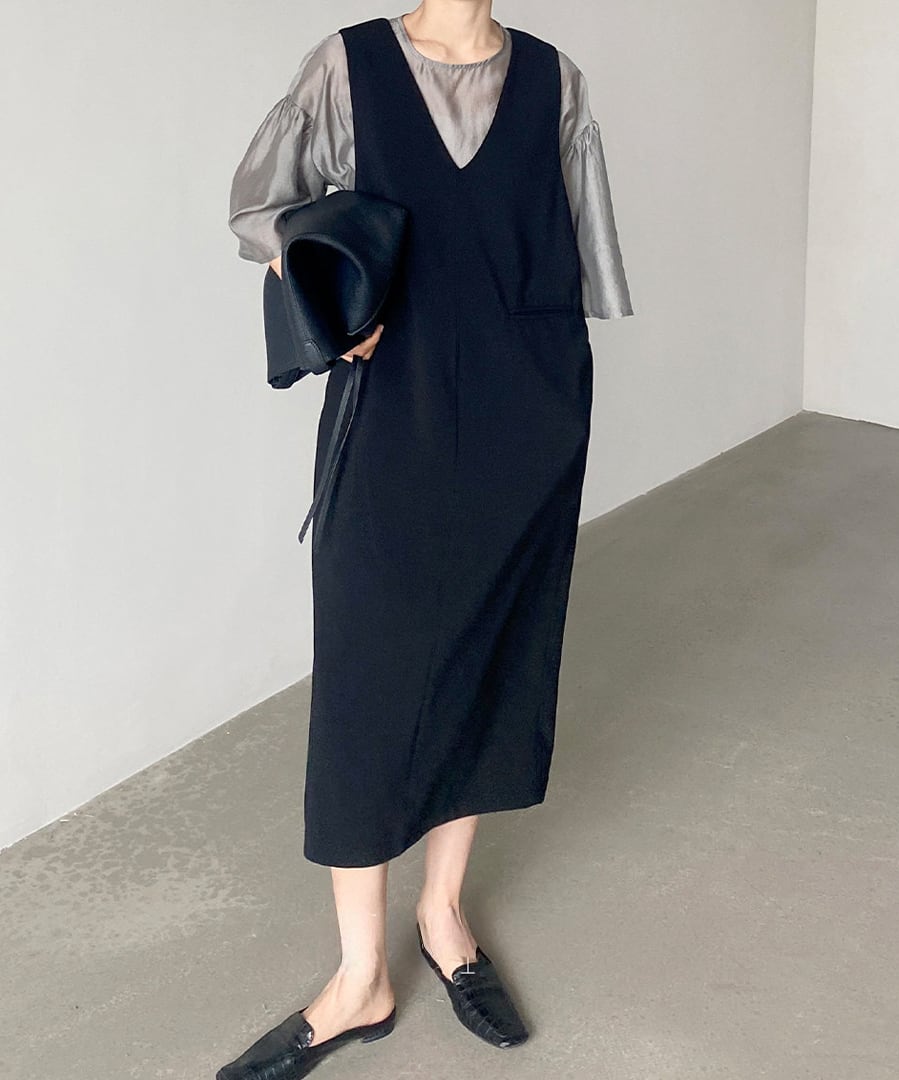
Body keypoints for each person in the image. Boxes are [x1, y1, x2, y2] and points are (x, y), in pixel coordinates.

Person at [220, 3, 633, 1077]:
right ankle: (360, 976)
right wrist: (329, 290)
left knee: (494, 655)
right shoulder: (347, 66)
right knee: (367, 681)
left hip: (524, 416)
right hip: (391, 412)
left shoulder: (556, 82)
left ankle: (443, 915)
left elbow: (578, 265)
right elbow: (259, 209)